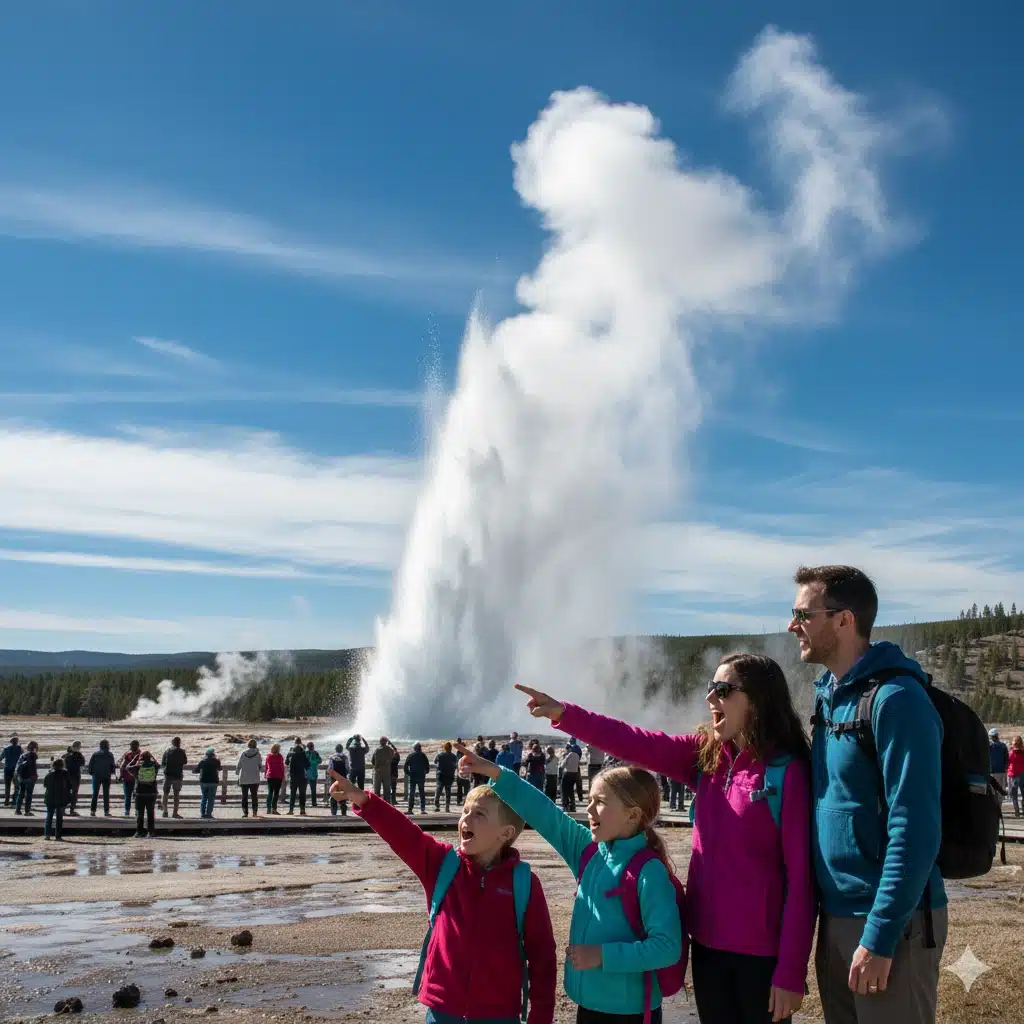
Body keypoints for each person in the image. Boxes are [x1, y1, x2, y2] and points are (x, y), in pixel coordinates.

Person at [516, 652, 815, 1024]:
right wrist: (565, 714)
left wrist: (790, 973)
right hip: (706, 946)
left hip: (760, 955)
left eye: (722, 690)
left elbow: (802, 881)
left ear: (757, 699)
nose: (710, 699)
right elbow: (636, 742)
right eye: (710, 688)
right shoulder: (706, 757)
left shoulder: (787, 772)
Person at [790, 564, 947, 1023]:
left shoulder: (897, 699)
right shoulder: (829, 695)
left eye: (803, 613)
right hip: (837, 914)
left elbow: (914, 828)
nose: (792, 625)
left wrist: (879, 935)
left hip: (892, 921)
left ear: (844, 620)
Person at [456, 742, 681, 1024]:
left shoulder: (649, 872)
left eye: (600, 802)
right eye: (589, 799)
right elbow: (544, 813)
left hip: (630, 1011)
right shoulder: (588, 851)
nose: (589, 809)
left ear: (632, 815)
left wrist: (602, 956)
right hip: (587, 1005)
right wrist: (496, 773)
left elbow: (667, 947)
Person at [327, 765, 557, 1024]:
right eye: (465, 811)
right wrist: (363, 800)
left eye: (479, 814)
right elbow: (404, 834)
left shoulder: (524, 883)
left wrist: (541, 1017)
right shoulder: (442, 864)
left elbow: (543, 957)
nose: (466, 820)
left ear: (505, 833)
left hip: (499, 1013)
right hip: (443, 1009)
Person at [43, 756, 71, 841]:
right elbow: (70, 786)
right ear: (62, 765)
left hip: (50, 798)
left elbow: (45, 785)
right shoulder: (65, 774)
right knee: (59, 818)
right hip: (61, 798)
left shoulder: (49, 775)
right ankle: (58, 836)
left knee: (49, 817)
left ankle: (47, 835)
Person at [161, 737, 188, 819]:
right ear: (179, 742)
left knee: (165, 793)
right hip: (178, 776)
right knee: (176, 795)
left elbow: (163, 763)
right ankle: (175, 813)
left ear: (172, 743)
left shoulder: (167, 751)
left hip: (168, 775)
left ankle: (165, 811)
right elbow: (185, 762)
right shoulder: (182, 752)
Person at [134, 750, 159, 838]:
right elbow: (159, 764)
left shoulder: (138, 767)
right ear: (150, 757)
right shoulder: (154, 766)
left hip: (139, 793)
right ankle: (150, 832)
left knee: (139, 813)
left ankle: (139, 831)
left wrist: (135, 759)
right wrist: (153, 757)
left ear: (142, 758)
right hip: (151, 793)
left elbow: (127, 768)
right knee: (150, 813)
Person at [88, 739, 116, 817]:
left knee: (95, 794)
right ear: (107, 746)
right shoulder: (110, 755)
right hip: (106, 776)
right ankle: (106, 811)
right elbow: (112, 766)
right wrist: (111, 772)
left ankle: (93, 811)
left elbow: (90, 766)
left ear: (100, 746)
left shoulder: (95, 754)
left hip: (96, 776)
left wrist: (92, 773)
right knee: (106, 794)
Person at [236, 739, 263, 818]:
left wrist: (237, 772)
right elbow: (260, 765)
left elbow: (239, 764)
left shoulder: (244, 754)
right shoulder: (258, 754)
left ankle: (245, 813)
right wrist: (261, 770)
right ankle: (254, 812)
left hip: (244, 778)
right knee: (254, 796)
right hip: (254, 778)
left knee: (244, 796)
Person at [13, 741, 39, 816]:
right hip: (30, 778)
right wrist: (35, 776)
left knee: (21, 793)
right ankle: (27, 811)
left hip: (22, 778)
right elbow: (32, 768)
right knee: (29, 795)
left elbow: (18, 766)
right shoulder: (33, 755)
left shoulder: (23, 755)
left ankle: (17, 810)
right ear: (35, 748)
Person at [195, 747, 221, 819]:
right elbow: (220, 768)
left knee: (204, 797)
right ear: (213, 754)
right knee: (211, 799)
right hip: (213, 781)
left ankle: (203, 813)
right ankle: (209, 813)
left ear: (206, 754)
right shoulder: (217, 761)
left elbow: (196, 770)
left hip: (204, 781)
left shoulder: (203, 761)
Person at [117, 740, 141, 817]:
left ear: (131, 746)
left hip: (127, 778)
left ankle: (127, 812)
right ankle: (137, 812)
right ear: (138, 746)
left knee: (128, 796)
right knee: (137, 796)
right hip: (138, 779)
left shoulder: (127, 755)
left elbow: (122, 766)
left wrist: (120, 776)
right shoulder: (141, 755)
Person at [405, 742, 430, 814]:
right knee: (422, 793)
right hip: (421, 777)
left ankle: (410, 809)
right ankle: (422, 810)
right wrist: (425, 772)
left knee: (412, 793)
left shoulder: (411, 755)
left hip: (413, 777)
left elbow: (405, 767)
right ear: (420, 748)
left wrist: (409, 773)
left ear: (414, 748)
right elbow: (427, 767)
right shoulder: (423, 755)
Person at [433, 741, 458, 812]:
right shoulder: (453, 756)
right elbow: (455, 765)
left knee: (438, 791)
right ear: (451, 748)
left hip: (440, 776)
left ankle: (437, 806)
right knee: (448, 792)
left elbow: (435, 762)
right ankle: (447, 807)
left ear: (444, 748)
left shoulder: (440, 755)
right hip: (449, 776)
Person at [287, 740, 310, 815]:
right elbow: (307, 766)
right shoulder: (303, 755)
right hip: (302, 777)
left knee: (292, 794)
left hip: (293, 777)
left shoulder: (292, 755)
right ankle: (302, 810)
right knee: (302, 794)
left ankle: (291, 810)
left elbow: (287, 763)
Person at [371, 737, 396, 803]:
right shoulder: (390, 750)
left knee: (377, 790)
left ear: (380, 742)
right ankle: (387, 804)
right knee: (387, 790)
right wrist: (390, 743)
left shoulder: (377, 750)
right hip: (387, 772)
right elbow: (395, 753)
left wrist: (376, 768)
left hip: (378, 772)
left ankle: (377, 804)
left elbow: (373, 760)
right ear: (386, 742)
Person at [64, 741, 85, 816]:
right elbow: (82, 762)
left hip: (67, 776)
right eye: (79, 746)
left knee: (66, 792)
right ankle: (71, 810)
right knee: (74, 793)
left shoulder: (66, 755)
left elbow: (63, 764)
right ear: (76, 747)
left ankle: (63, 809)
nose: (80, 748)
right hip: (75, 776)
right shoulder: (78, 755)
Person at [328, 745, 350, 816]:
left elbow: (330, 769)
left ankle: (334, 812)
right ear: (342, 749)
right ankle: (343, 812)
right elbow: (347, 769)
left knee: (334, 794)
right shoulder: (345, 757)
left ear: (335, 749)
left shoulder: (332, 758)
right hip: (342, 778)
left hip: (334, 779)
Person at [264, 742, 285, 815]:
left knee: (270, 792)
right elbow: (282, 767)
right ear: (278, 749)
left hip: (270, 776)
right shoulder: (280, 757)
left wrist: (265, 775)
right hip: (278, 776)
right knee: (276, 793)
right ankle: (274, 809)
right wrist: (283, 776)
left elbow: (266, 767)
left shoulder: (268, 756)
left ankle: (268, 809)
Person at [559, 744, 581, 812]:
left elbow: (562, 765)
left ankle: (565, 806)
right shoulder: (577, 756)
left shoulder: (570, 754)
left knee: (564, 790)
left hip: (567, 774)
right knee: (571, 790)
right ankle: (573, 806)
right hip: (574, 774)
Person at [989, 728, 1010, 797]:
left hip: (992, 772)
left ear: (991, 736)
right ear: (997, 735)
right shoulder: (1003, 745)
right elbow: (1007, 759)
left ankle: (995, 806)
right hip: (1002, 771)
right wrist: (1006, 768)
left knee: (993, 792)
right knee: (1001, 791)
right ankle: (999, 806)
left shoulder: (989, 746)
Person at [2, 735, 22, 807]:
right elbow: (23, 758)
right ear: (17, 742)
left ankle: (6, 801)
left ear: (11, 742)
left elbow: (1, 757)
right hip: (16, 769)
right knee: (16, 785)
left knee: (7, 786)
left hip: (7, 769)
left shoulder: (6, 749)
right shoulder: (20, 749)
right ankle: (14, 801)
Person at [1007, 735, 1024, 818]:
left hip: (1013, 774)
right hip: (1022, 774)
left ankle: (1017, 812)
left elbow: (1007, 761)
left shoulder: (1011, 753)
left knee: (1014, 795)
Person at [305, 741, 322, 808]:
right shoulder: (316, 753)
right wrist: (315, 762)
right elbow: (320, 761)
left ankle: (303, 802)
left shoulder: (305, 753)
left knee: (303, 789)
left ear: (307, 747)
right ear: (313, 747)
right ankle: (314, 803)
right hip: (314, 773)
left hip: (306, 773)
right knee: (313, 789)